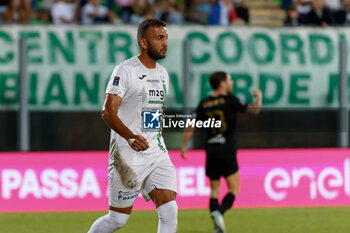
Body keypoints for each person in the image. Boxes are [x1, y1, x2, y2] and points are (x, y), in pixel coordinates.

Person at [87, 18, 178, 233]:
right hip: (128, 156)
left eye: (166, 38)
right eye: (159, 38)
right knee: (117, 220)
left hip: (157, 152)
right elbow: (107, 111)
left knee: (169, 211)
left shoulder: (163, 74)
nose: (165, 43)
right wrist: (130, 136)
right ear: (143, 43)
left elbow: (158, 111)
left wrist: (158, 138)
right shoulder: (125, 70)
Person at [181, 72, 262, 233]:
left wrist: (184, 146)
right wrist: (258, 98)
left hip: (211, 150)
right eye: (230, 79)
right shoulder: (230, 100)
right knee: (233, 190)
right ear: (222, 83)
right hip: (227, 150)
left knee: (214, 191)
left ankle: (218, 227)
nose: (232, 82)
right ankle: (219, 212)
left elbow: (191, 125)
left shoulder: (204, 103)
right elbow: (254, 111)